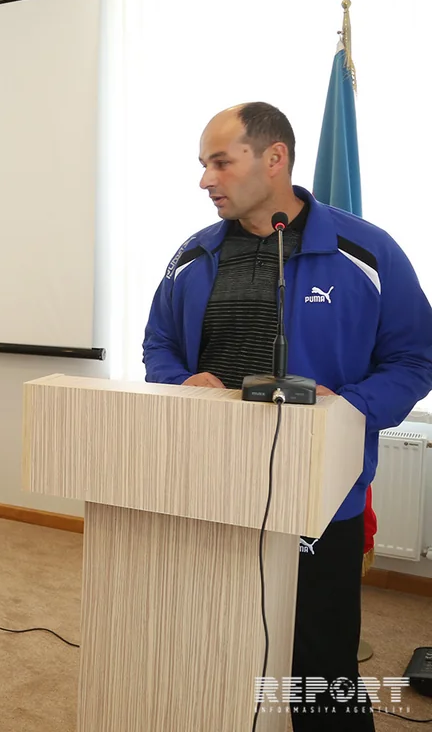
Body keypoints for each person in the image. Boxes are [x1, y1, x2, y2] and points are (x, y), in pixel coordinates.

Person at [143, 102, 432, 729]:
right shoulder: (192, 255)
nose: (205, 179)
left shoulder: (366, 252)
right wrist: (181, 381)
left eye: (221, 162)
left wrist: (347, 408)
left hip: (318, 495)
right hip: (209, 484)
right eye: (203, 164)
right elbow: (158, 345)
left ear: (274, 158)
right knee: (215, 644)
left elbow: (414, 358)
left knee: (320, 668)